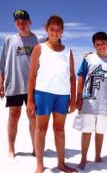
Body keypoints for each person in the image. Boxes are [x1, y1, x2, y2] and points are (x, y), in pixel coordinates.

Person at [27, 15, 77, 173]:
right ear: (46, 30)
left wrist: (73, 99)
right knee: (41, 129)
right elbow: (32, 76)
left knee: (59, 129)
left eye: (58, 30)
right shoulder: (39, 48)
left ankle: (61, 163)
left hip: (62, 95)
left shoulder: (67, 51)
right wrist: (30, 100)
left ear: (62, 31)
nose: (55, 33)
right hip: (43, 93)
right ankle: (39, 164)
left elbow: (72, 77)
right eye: (52, 29)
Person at [74, 32, 107, 169]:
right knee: (87, 130)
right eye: (98, 44)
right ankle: (83, 158)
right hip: (89, 101)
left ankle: (97, 156)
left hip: (105, 103)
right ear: (94, 45)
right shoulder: (89, 58)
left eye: (103, 43)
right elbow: (81, 77)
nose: (101, 46)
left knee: (100, 131)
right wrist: (79, 97)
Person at [0, 9, 38, 159]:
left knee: (32, 117)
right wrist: (1, 83)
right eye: (18, 22)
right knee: (13, 116)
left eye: (24, 22)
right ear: (15, 23)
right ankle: (11, 149)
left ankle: (35, 148)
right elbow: (2, 64)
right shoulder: (9, 40)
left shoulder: (37, 40)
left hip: (32, 86)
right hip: (13, 84)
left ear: (30, 22)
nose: (21, 25)